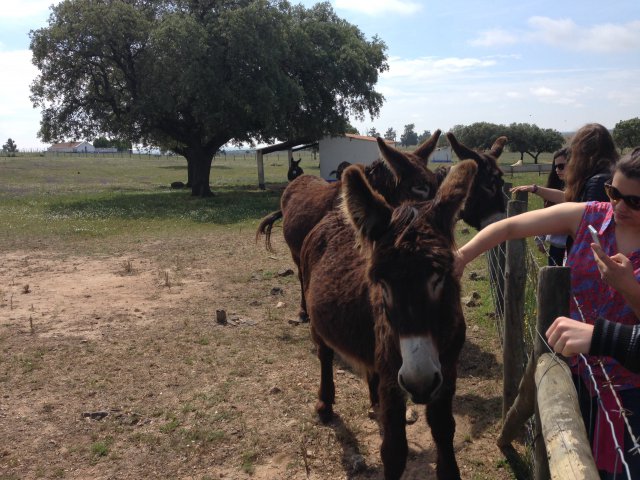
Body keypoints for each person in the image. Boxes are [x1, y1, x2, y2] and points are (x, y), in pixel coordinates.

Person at [455, 147, 640, 478]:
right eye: (615, 193)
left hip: (625, 386)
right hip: (571, 364)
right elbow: (509, 228)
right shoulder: (589, 215)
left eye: (635, 202)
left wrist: (627, 286)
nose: (620, 206)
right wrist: (463, 255)